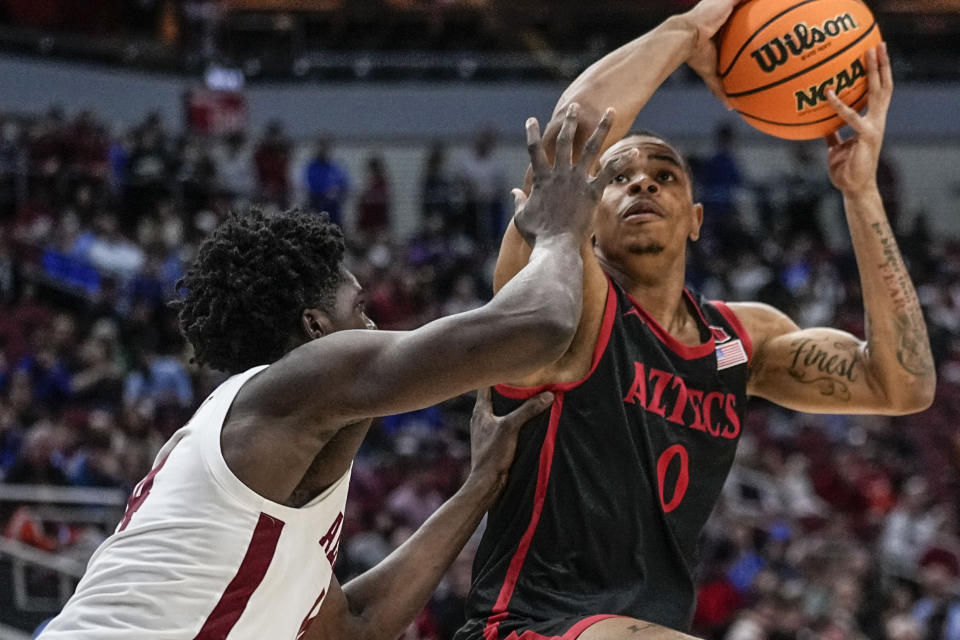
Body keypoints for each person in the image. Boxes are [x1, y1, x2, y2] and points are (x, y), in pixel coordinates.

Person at [36, 109, 636, 639]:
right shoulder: (296, 385)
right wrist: (559, 230)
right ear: (317, 328)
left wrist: (479, 485)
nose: (376, 330)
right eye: (362, 313)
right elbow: (538, 325)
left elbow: (356, 628)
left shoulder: (270, 472)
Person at [457, 1, 937, 638]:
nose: (642, 185)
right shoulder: (567, 304)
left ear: (697, 219)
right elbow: (566, 139)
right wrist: (689, 28)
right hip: (533, 625)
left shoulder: (742, 340)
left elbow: (902, 385)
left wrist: (860, 191)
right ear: (582, 216)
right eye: (618, 178)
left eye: (664, 175)